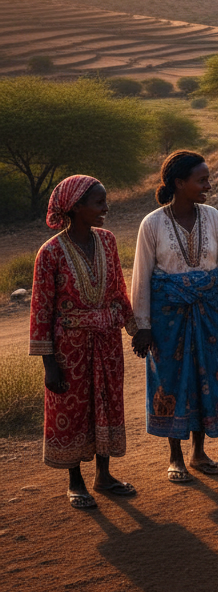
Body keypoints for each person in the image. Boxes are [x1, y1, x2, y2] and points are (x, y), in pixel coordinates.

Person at [131, 150, 218, 483]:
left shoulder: (213, 217)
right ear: (179, 183)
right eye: (202, 179)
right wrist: (142, 327)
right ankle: (175, 457)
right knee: (171, 381)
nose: (209, 185)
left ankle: (198, 451)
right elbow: (142, 277)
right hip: (168, 318)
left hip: (206, 313)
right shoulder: (152, 223)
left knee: (204, 379)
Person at [29, 176, 136, 510]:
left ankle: (103, 476)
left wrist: (136, 328)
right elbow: (41, 309)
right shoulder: (50, 253)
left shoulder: (107, 241)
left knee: (105, 403)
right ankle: (75, 481)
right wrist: (49, 364)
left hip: (107, 343)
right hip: (68, 349)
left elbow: (118, 287)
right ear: (75, 207)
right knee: (71, 410)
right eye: (98, 203)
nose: (106, 208)